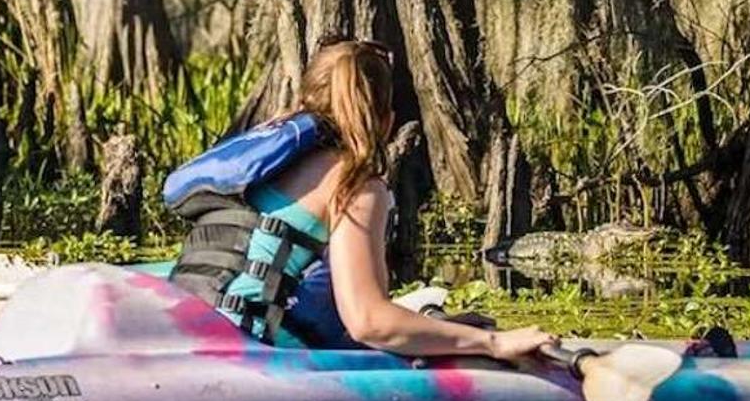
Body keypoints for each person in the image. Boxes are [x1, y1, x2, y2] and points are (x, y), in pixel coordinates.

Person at [164, 34, 556, 360]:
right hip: (242, 357)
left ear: (304, 103)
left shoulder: (261, 165)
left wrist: (443, 331)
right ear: (386, 123)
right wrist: (491, 342)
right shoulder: (354, 185)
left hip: (181, 335)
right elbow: (368, 322)